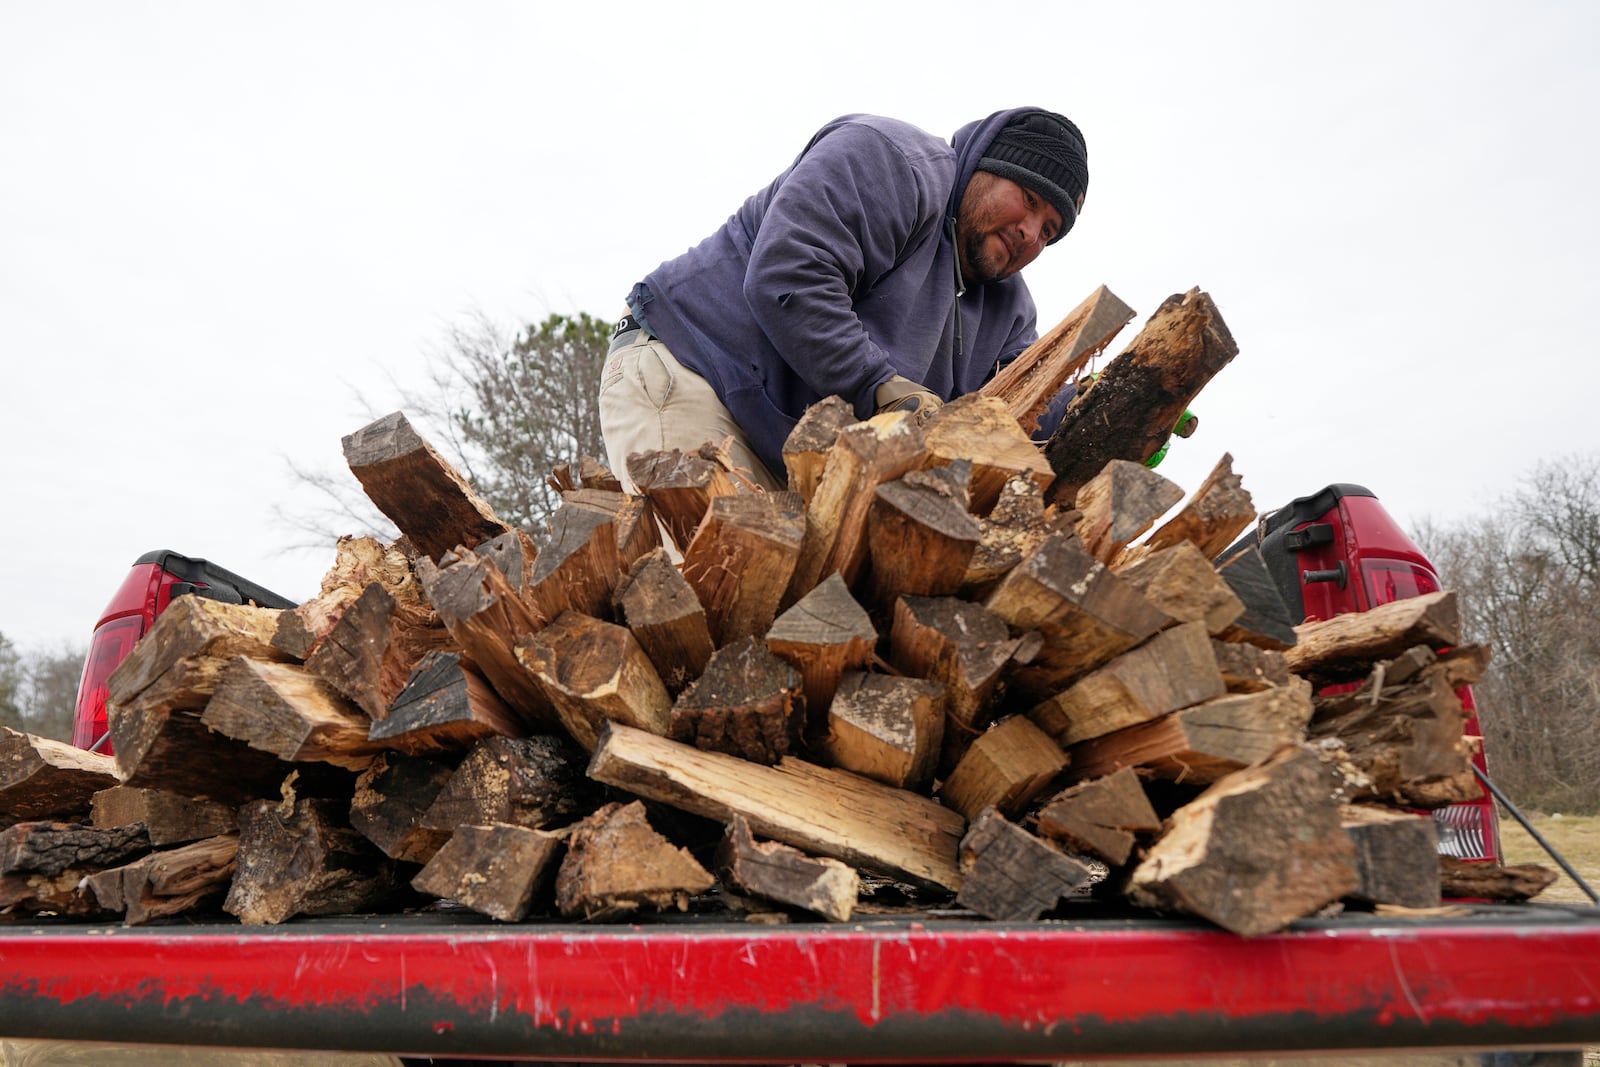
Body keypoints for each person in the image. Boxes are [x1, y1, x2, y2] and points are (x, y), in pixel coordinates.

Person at [599, 107, 1089, 492]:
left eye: (1049, 230)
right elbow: (788, 275)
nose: (1030, 234)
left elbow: (1024, 400)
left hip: (791, 448)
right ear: (985, 165)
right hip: (692, 370)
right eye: (1027, 198)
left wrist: (1129, 401)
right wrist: (878, 385)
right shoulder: (895, 163)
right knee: (703, 585)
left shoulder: (1009, 307)